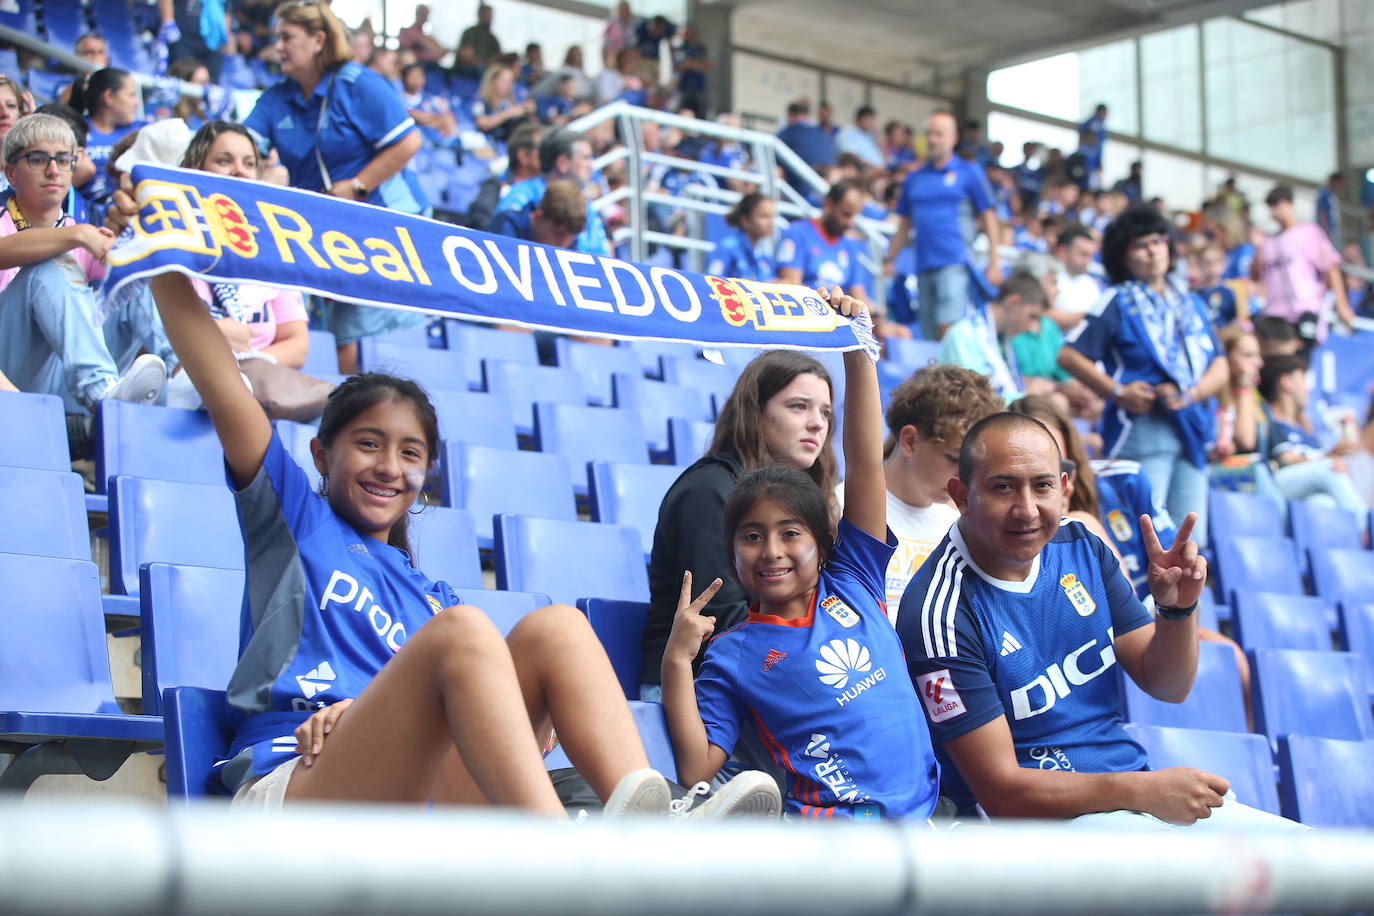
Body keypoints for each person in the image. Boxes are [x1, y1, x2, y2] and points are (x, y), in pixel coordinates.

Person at [146, 265, 780, 817]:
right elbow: (221, 381)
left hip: (415, 798)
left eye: (410, 452)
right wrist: (159, 261)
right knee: (467, 633)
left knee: (555, 627)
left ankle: (658, 817)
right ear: (320, 453)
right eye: (368, 444)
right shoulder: (291, 520)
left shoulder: (433, 596)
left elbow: (495, 733)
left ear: (424, 477)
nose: (389, 466)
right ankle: (579, 862)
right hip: (296, 779)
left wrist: (388, 714)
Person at [897, 413, 1301, 830]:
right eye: (1003, 487)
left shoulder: (1083, 548)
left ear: (1065, 489)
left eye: (1043, 486)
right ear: (960, 496)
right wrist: (1143, 792)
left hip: (1127, 797)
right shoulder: (938, 613)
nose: (1027, 509)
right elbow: (1001, 793)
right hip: (1038, 831)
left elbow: (1168, 685)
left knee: (1308, 859)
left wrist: (1177, 611)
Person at [662, 289, 939, 820]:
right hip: (834, 835)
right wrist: (677, 659)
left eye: (791, 533)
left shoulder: (855, 580)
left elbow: (864, 464)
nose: (771, 551)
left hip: (927, 820)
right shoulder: (732, 652)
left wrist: (858, 349)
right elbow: (697, 769)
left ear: (824, 541)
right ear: (731, 551)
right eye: (751, 536)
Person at [1010, 395, 1254, 725]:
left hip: (1153, 619)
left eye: (1057, 471)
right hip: (1084, 640)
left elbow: (1175, 577)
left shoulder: (1123, 480)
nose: (1048, 484)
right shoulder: (1018, 525)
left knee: (1234, 659)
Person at [640, 350, 841, 697]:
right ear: (755, 413)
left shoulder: (811, 501)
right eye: (798, 407)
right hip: (694, 688)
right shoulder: (708, 489)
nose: (817, 423)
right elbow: (719, 618)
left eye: (824, 412)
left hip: (773, 672)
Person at [243, 0, 428, 375]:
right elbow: (238, 143)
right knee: (329, 331)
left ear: (318, 40)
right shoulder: (276, 97)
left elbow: (409, 142)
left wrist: (358, 185)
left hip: (379, 225)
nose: (277, 45)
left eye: (286, 37)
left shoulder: (357, 84)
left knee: (356, 336)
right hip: (318, 231)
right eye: (276, 37)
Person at [1058, 204, 1229, 547]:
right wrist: (1118, 392)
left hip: (1192, 429)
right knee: (1142, 540)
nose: (1153, 250)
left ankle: (1181, 603)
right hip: (1142, 431)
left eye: (1157, 241)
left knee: (1189, 544)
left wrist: (1191, 394)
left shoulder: (1191, 304)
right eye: (1140, 245)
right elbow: (1069, 355)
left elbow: (1221, 365)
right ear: (1123, 256)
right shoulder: (1116, 300)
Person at [0, 113, 168, 413]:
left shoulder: (81, 230)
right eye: (38, 160)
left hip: (66, 381)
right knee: (47, 266)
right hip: (12, 371)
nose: (54, 170)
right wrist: (77, 235)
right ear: (11, 173)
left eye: (64, 160)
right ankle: (99, 390)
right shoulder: (79, 232)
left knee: (133, 275)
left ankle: (185, 375)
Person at [875, 365, 1002, 614]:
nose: (965, 476)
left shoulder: (959, 527)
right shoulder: (843, 506)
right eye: (954, 459)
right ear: (910, 441)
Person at [884, 111, 1001, 341]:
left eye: (939, 134)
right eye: (929, 134)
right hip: (923, 265)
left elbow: (989, 216)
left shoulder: (969, 172)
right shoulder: (914, 178)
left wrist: (994, 261)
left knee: (949, 329)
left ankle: (954, 377)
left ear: (953, 137)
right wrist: (890, 258)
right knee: (928, 333)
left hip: (955, 262)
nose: (932, 139)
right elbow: (904, 222)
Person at [1260, 354, 1369, 539]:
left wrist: (1335, 462)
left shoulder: (1305, 430)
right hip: (1276, 485)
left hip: (1303, 490)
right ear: (1286, 382)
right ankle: (1368, 526)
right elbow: (1285, 459)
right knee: (1327, 469)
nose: (1307, 388)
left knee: (1323, 503)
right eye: (1302, 379)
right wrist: (1328, 458)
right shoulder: (1270, 419)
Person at [1254, 183, 1354, 347]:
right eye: (1272, 207)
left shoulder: (1308, 232)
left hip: (1305, 310)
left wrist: (1342, 305)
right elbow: (1257, 276)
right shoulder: (1268, 242)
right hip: (1276, 313)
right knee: (1282, 362)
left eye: (1279, 205)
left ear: (1290, 205)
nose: (1276, 211)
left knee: (1301, 360)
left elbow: (1331, 268)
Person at [487, 128, 607, 256]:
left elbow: (601, 255)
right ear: (562, 163)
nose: (591, 165)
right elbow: (500, 248)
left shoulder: (586, 205)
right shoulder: (521, 196)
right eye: (586, 158)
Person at [938, 272, 1046, 401]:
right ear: (1013, 302)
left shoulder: (1003, 341)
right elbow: (973, 398)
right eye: (1032, 316)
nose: (1031, 326)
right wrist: (1026, 397)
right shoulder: (963, 334)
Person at [70, 67, 144, 223]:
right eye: (131, 95)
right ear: (109, 96)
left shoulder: (142, 130)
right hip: (84, 215)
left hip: (130, 210)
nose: (136, 103)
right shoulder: (76, 130)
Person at [704, 192, 774, 282]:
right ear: (745, 220)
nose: (770, 222)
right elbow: (712, 282)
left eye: (772, 216)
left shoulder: (764, 257)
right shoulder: (728, 248)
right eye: (764, 216)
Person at [1049, 223, 1103, 330]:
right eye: (1083, 254)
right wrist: (1090, 317)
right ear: (1063, 251)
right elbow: (1046, 315)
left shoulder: (1090, 283)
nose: (1089, 261)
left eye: (1090, 256)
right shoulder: (1047, 279)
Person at [469, 63, 535, 145]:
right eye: (504, 81)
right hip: (492, 144)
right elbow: (483, 124)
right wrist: (509, 113)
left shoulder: (513, 100)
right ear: (494, 81)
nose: (508, 85)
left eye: (511, 81)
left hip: (516, 142)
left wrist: (527, 111)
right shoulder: (481, 101)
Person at [673, 23, 710, 118]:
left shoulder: (700, 48)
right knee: (680, 112)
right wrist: (697, 64)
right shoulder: (678, 49)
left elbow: (707, 65)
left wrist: (691, 63)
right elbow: (681, 66)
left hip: (699, 87)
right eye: (684, 32)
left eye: (688, 32)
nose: (686, 35)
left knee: (701, 114)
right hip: (683, 87)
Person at [834, 105, 884, 170]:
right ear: (859, 118)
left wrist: (878, 138)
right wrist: (874, 168)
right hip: (861, 172)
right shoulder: (848, 132)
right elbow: (849, 155)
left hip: (878, 171)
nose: (871, 123)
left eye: (872, 119)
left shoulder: (869, 135)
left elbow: (885, 159)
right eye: (868, 119)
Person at [457, 3, 501, 70]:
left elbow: (498, 59)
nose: (488, 18)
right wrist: (484, 64)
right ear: (479, 15)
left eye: (490, 16)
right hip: (465, 73)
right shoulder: (470, 33)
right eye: (485, 15)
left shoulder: (493, 39)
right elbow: (466, 57)